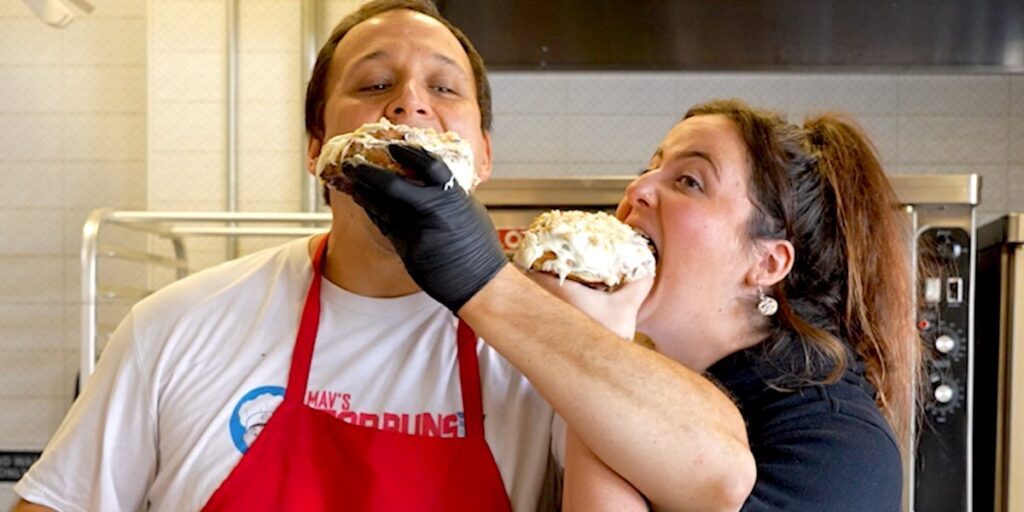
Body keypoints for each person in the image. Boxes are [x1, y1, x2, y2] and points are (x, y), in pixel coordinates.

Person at [13, 1, 754, 511]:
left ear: (484, 155)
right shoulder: (176, 326)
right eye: (373, 83)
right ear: (315, 149)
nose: (408, 102)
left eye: (443, 87)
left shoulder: (545, 351)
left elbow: (715, 477)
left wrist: (483, 284)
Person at [340, 98, 916, 510]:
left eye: (689, 181)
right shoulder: (648, 374)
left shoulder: (838, 447)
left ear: (767, 264)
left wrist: (586, 330)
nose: (638, 190)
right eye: (650, 169)